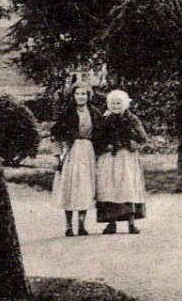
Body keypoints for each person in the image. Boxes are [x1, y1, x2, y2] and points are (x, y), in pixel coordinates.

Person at [94, 89, 148, 235]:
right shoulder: (105, 119)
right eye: (113, 103)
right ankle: (111, 223)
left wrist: (131, 143)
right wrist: (105, 145)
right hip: (109, 157)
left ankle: (131, 222)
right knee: (110, 187)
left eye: (119, 103)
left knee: (127, 186)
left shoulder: (131, 119)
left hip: (126, 157)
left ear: (124, 104)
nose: (116, 106)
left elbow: (142, 138)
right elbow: (97, 137)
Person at [49, 83, 98, 236]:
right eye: (78, 94)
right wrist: (57, 156)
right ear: (73, 96)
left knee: (84, 187)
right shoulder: (67, 113)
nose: (81, 97)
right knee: (69, 187)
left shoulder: (95, 113)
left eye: (84, 94)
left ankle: (82, 225)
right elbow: (55, 135)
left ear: (88, 96)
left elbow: (103, 132)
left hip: (88, 152)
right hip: (71, 152)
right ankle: (69, 226)